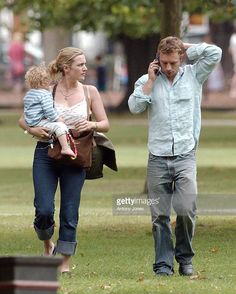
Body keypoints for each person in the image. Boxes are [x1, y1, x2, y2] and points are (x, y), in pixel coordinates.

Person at [128, 36, 222, 276]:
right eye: (165, 62)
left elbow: (215, 52)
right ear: (157, 59)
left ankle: (185, 258)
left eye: (173, 62)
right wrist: (150, 81)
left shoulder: (194, 75)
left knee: (187, 209)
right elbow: (134, 107)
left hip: (185, 154)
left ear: (180, 58)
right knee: (159, 215)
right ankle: (163, 264)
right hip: (157, 156)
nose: (169, 68)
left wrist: (185, 46)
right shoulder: (148, 80)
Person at [19, 47, 110, 273]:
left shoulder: (90, 92)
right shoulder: (46, 90)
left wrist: (92, 124)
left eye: (85, 64)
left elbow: (105, 123)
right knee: (43, 208)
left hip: (76, 155)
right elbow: (23, 120)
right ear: (66, 68)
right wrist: (33, 129)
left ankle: (64, 262)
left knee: (70, 210)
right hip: (45, 152)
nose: (85, 68)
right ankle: (47, 242)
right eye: (81, 65)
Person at [23, 64, 76, 158]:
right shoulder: (45, 94)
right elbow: (49, 111)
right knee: (60, 126)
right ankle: (65, 148)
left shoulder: (29, 94)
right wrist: (57, 119)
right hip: (40, 122)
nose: (50, 82)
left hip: (31, 122)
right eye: (48, 80)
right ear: (43, 82)